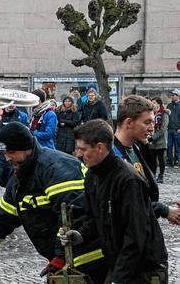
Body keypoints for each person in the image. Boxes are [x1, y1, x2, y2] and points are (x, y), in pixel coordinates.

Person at [0, 122, 106, 284]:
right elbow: (2, 218)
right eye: (4, 153)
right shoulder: (19, 179)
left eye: (12, 152)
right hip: (65, 261)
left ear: (27, 148)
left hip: (91, 258)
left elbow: (75, 215)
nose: (8, 158)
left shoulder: (55, 168)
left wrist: (60, 256)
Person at [63, 119, 168, 283]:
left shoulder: (129, 180)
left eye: (82, 149)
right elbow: (94, 218)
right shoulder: (92, 176)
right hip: (119, 263)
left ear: (99, 148)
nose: (78, 154)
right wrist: (80, 234)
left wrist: (117, 279)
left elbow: (135, 236)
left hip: (145, 269)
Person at [112, 95, 180, 225]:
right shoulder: (112, 156)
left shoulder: (136, 148)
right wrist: (163, 209)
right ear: (129, 123)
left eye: (153, 122)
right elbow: (124, 205)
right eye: (147, 122)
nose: (152, 128)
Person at [149, 97, 169, 183]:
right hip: (152, 141)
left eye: (154, 103)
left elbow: (163, 128)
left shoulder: (164, 113)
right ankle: (153, 174)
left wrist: (153, 137)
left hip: (160, 140)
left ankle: (161, 176)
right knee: (152, 159)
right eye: (152, 102)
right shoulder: (151, 113)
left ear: (159, 104)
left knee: (161, 159)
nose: (152, 104)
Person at [167, 88, 180, 167]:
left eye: (173, 95)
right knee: (169, 146)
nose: (171, 96)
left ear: (178, 96)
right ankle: (169, 162)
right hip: (169, 129)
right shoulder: (169, 105)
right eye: (171, 95)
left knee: (177, 147)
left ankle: (176, 161)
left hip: (177, 130)